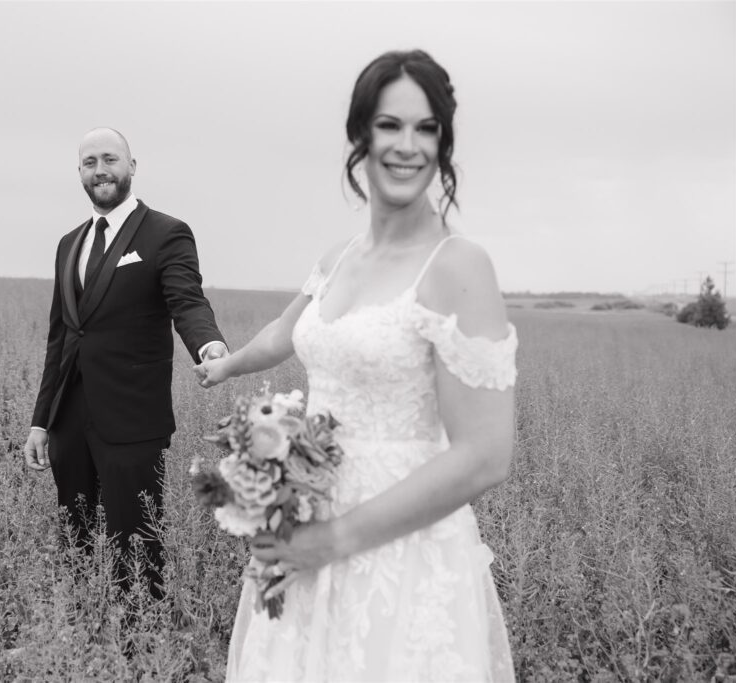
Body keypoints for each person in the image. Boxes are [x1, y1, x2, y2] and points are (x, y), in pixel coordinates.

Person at [194, 50, 517, 681]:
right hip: (305, 522)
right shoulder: (340, 256)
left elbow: (485, 453)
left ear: (444, 144)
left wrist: (333, 542)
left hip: (399, 551)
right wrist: (227, 367)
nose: (408, 145)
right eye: (390, 125)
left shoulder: (457, 266)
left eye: (427, 129)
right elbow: (286, 333)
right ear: (360, 136)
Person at [24, 127, 227, 596]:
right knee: (74, 540)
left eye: (111, 159)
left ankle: (140, 647)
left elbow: (187, 302)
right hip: (69, 421)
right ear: (79, 172)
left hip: (133, 420)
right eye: (90, 162)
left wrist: (208, 345)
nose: (101, 170)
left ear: (132, 166)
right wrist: (41, 422)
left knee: (137, 545)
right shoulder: (68, 244)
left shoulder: (166, 233)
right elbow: (62, 338)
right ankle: (81, 630)